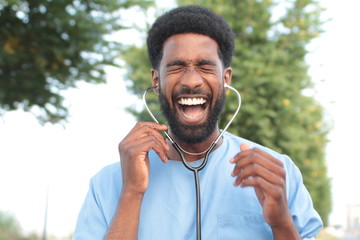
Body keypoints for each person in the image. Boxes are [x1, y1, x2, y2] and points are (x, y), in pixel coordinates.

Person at [73, 5, 323, 240]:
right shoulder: (107, 184)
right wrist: (131, 193)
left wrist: (281, 222)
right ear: (156, 79)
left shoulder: (278, 172)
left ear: (226, 78)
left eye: (205, 67)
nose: (191, 81)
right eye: (176, 67)